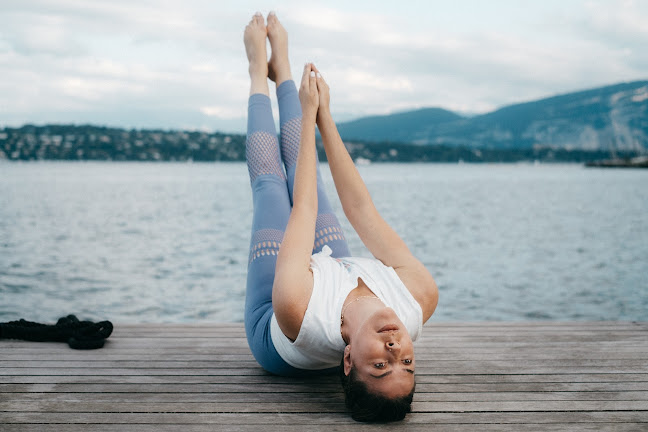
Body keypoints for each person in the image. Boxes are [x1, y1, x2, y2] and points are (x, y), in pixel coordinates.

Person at [243, 12, 438, 422]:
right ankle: (285, 72)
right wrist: (324, 115)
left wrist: (308, 113)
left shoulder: (299, 311)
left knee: (272, 186)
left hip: (274, 320)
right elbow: (361, 210)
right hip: (337, 275)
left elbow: (305, 207)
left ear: (347, 362)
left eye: (381, 367)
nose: (396, 351)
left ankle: (260, 71)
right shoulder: (419, 296)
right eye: (408, 364)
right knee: (309, 178)